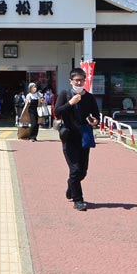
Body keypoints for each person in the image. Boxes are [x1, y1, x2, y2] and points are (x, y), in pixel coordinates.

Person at [55, 68, 100, 211]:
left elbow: (96, 116)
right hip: (69, 137)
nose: (79, 82)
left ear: (85, 80)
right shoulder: (65, 94)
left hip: (84, 137)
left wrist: (94, 121)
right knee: (75, 169)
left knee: (83, 171)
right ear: (71, 81)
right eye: (76, 80)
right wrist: (70, 103)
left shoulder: (89, 97)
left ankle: (71, 186)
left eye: (81, 80)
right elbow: (57, 112)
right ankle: (78, 200)